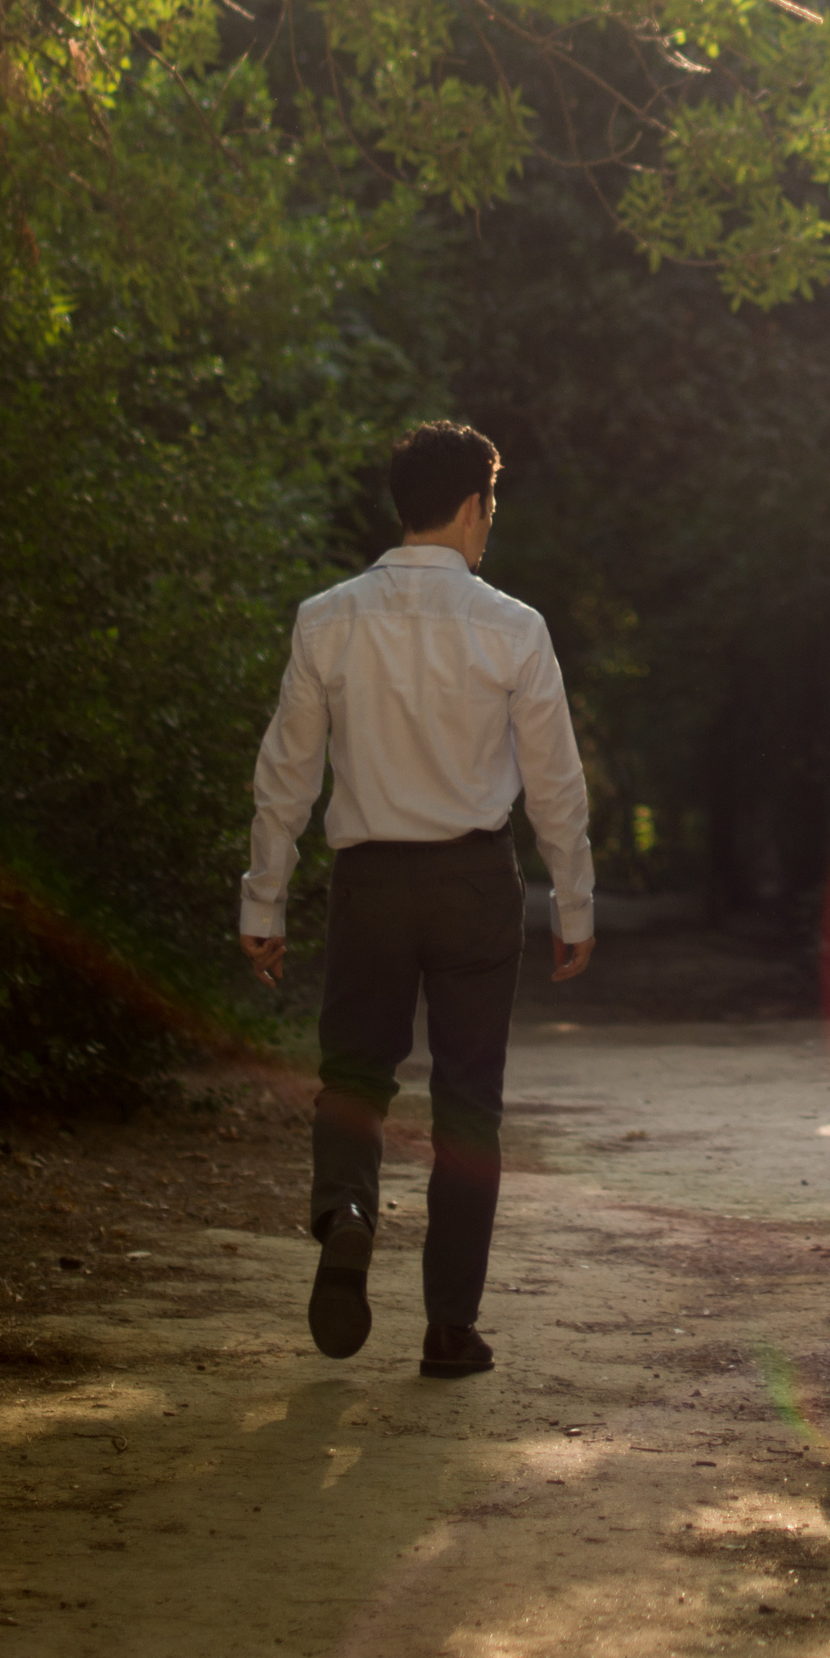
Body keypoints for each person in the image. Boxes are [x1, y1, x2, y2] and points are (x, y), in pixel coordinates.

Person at [238, 419, 597, 1379]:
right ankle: (449, 1327)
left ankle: (348, 1209)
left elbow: (286, 775)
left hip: (371, 880)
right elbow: (555, 782)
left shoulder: (328, 618)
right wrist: (574, 902)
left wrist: (262, 903)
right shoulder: (514, 628)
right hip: (475, 880)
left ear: (402, 506)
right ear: (476, 505)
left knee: (355, 1074)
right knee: (467, 1101)